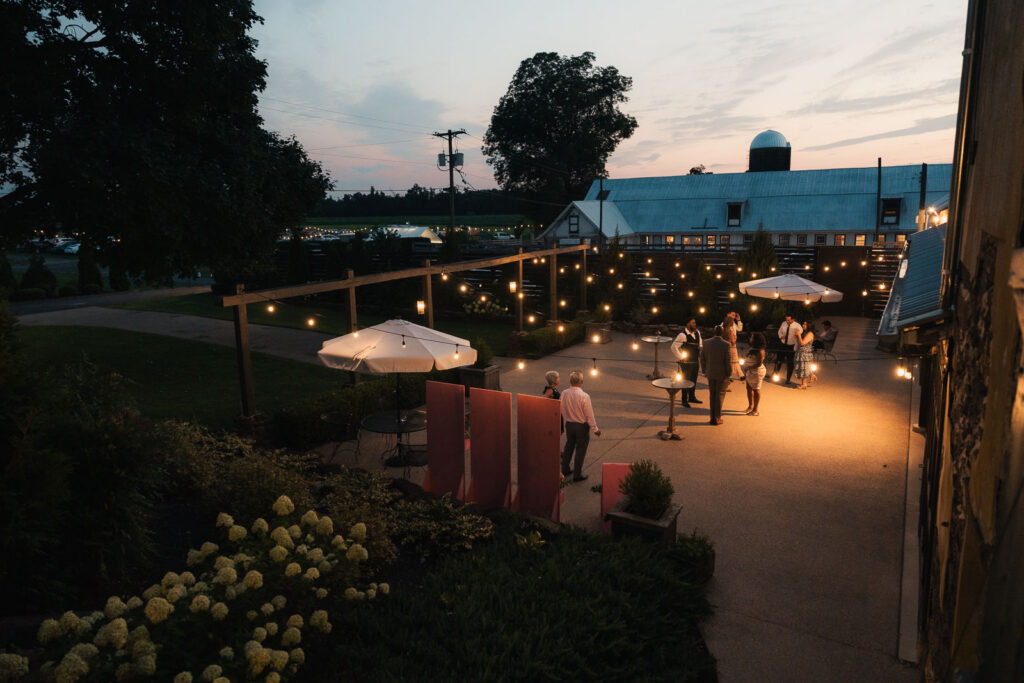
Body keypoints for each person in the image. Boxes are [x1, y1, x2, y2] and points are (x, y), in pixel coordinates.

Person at [559, 370, 601, 482]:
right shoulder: (584, 396)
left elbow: (561, 408)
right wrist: (595, 428)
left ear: (570, 381)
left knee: (568, 446)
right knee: (580, 450)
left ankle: (564, 469)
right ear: (582, 381)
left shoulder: (564, 393)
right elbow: (589, 414)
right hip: (581, 426)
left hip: (569, 425)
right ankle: (577, 475)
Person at [699, 325, 732, 425]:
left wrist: (704, 370)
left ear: (714, 332)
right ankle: (717, 418)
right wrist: (729, 373)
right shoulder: (726, 344)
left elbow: (702, 358)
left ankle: (712, 417)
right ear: (722, 333)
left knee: (712, 395)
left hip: (710, 373)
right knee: (719, 395)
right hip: (722, 374)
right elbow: (728, 361)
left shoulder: (706, 342)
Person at [670, 318, 702, 406]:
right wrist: (681, 357)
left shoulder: (697, 332)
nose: (694, 324)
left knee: (693, 379)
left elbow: (700, 342)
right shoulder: (682, 335)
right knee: (685, 380)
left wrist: (700, 346)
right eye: (693, 323)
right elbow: (673, 347)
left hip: (695, 360)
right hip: (686, 362)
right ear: (688, 324)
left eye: (695, 323)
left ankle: (692, 397)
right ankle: (684, 400)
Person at [773, 315, 803, 384]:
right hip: (782, 344)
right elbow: (779, 331)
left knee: (790, 363)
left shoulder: (797, 325)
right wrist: (781, 336)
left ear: (793, 319)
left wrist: (797, 334)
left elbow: (800, 332)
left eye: (789, 320)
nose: (787, 321)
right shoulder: (783, 323)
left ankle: (788, 379)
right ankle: (775, 374)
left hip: (791, 346)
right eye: (786, 320)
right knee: (778, 360)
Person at [744, 332, 767, 415]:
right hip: (749, 371)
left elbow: (759, 364)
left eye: (752, 337)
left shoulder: (760, 351)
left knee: (756, 389)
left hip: (757, 372)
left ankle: (755, 409)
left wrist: (748, 367)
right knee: (748, 388)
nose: (750, 338)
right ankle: (750, 406)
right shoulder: (752, 348)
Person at [794, 322, 817, 389]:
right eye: (803, 324)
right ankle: (812, 375)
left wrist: (799, 335)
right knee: (804, 368)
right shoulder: (806, 333)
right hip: (803, 353)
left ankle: (804, 384)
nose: (803, 325)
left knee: (804, 368)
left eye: (805, 324)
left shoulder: (810, 334)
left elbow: (802, 343)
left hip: (805, 354)